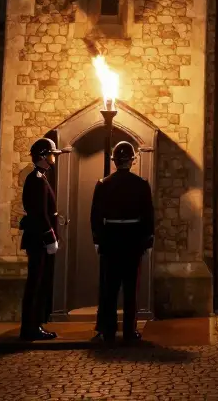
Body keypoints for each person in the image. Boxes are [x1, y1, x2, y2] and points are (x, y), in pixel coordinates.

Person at [91, 140, 155, 343]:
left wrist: (98, 239)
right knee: (130, 290)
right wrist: (147, 241)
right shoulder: (141, 184)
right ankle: (129, 330)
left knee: (109, 289)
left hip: (110, 240)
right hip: (132, 241)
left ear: (114, 161)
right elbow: (148, 216)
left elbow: (95, 216)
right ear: (132, 160)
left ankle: (108, 330)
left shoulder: (103, 184)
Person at [20, 137, 69, 340]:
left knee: (38, 283)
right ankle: (32, 327)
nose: (53, 157)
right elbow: (40, 213)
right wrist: (50, 238)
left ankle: (33, 325)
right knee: (36, 284)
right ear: (43, 156)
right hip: (39, 240)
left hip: (38, 239)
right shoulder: (37, 180)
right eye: (51, 154)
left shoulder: (39, 177)